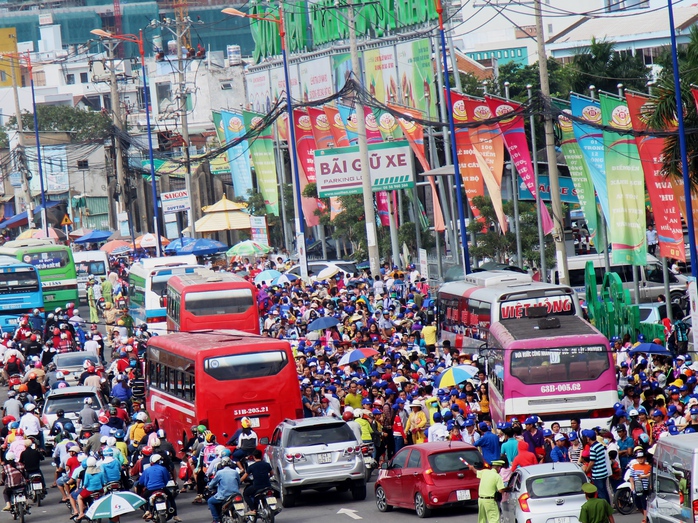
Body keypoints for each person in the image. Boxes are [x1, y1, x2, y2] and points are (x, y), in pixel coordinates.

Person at [139, 454, 181, 522]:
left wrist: (148, 486)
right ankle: (175, 515)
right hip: (162, 488)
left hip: (150, 489)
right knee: (171, 498)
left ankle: (147, 511)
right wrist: (163, 485)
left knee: (144, 498)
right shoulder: (163, 468)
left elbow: (144, 481)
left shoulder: (147, 470)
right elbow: (166, 478)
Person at [466, 459, 505, 523]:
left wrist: (472, 468)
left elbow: (476, 471)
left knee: (482, 519)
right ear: (499, 468)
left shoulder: (485, 472)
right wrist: (507, 489)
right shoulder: (497, 476)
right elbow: (500, 490)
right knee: (493, 519)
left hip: (481, 500)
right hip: (490, 500)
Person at [207, 457, 241, 523]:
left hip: (224, 495)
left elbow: (212, 484)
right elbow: (239, 483)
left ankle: (216, 519)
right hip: (236, 494)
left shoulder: (219, 473)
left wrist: (209, 487)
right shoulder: (235, 472)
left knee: (210, 501)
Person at [240, 450, 272, 517]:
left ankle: (253, 509)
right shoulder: (267, 464)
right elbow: (271, 473)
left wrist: (238, 481)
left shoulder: (252, 466)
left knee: (245, 494)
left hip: (257, 486)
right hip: (268, 485)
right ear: (262, 456)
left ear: (254, 457)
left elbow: (244, 478)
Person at [629, 450, 651, 522]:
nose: (640, 459)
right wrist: (632, 485)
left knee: (644, 504)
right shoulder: (633, 466)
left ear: (645, 458)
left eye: (642, 458)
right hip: (636, 488)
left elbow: (650, 475)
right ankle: (646, 516)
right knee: (638, 504)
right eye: (639, 458)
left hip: (644, 488)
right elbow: (631, 476)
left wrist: (643, 476)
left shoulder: (648, 467)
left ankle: (644, 518)